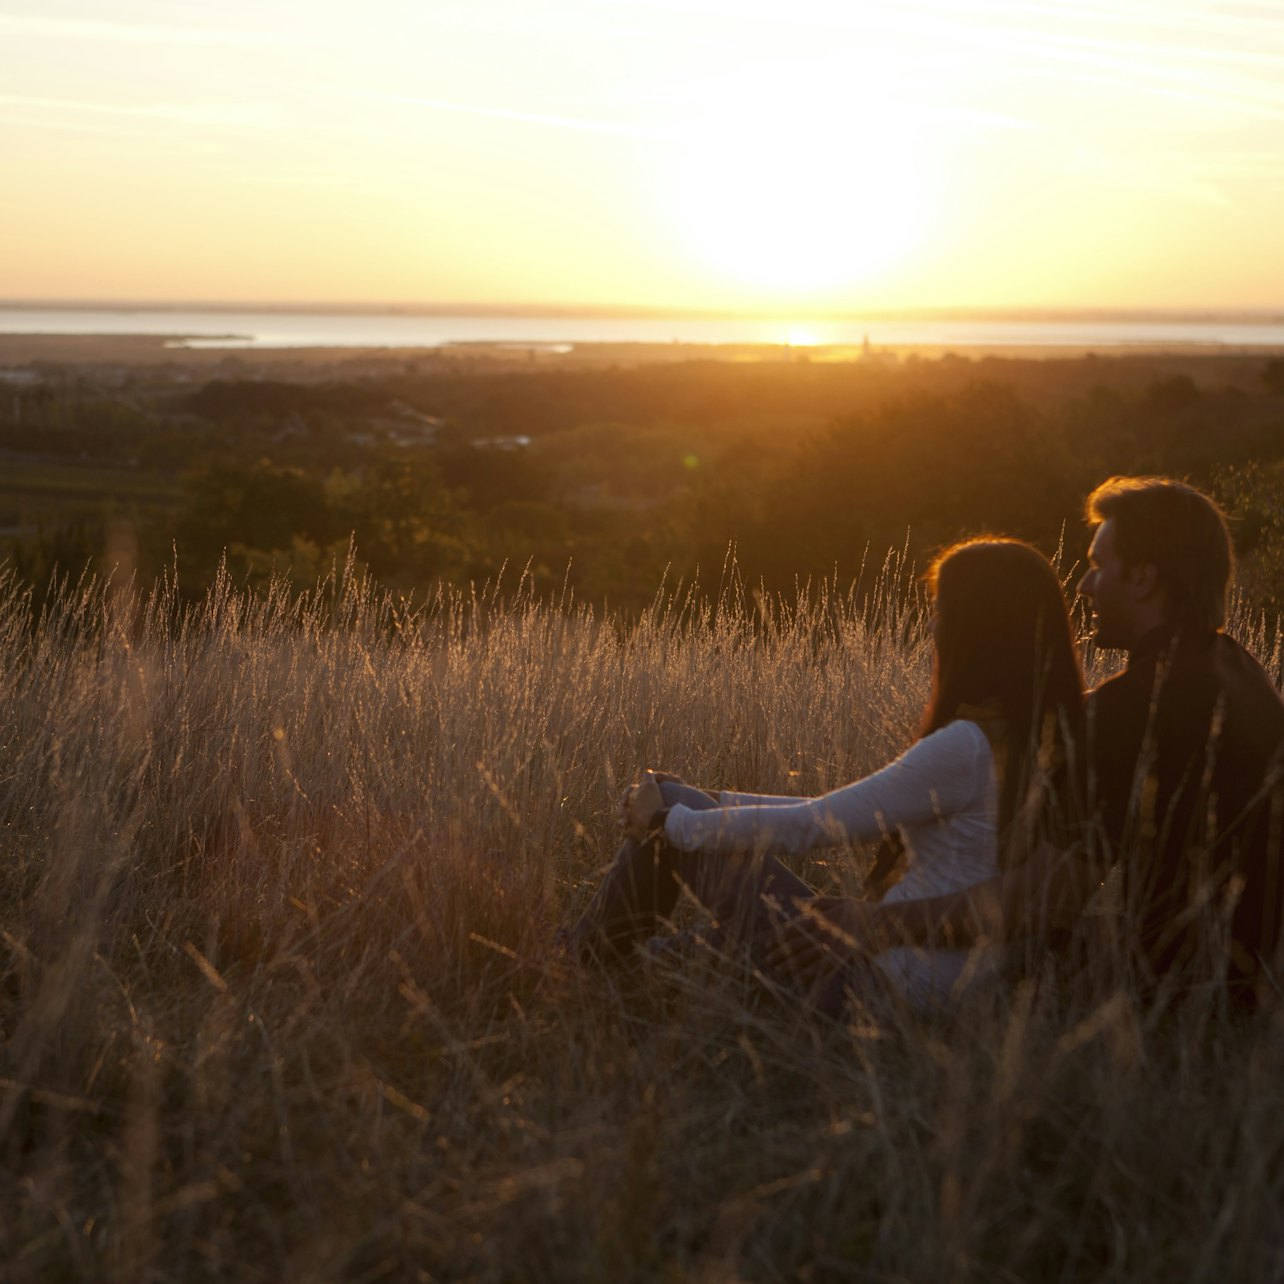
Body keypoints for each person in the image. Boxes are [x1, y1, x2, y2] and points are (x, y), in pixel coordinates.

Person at [786, 477, 1284, 1007]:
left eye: (1098, 565)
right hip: (1243, 976)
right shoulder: (1239, 671)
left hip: (1172, 994)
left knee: (799, 946)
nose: (1087, 587)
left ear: (1142, 578)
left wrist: (873, 923)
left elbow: (1042, 901)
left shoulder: (1133, 707)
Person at [564, 537, 1085, 1013]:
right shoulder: (1046, 734)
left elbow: (820, 823)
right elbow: (835, 809)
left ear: (976, 627)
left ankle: (582, 960)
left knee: (672, 811)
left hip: (878, 979)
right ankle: (613, 962)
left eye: (939, 610)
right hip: (941, 986)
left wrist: (669, 823)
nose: (931, 626)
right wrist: (712, 800)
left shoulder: (964, 745)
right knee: (679, 901)